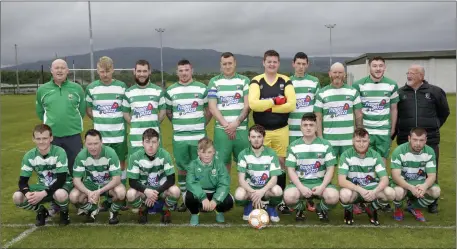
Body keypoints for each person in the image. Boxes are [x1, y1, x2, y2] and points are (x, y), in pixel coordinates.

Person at [395, 64, 449, 213]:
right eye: (408, 72)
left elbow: (444, 112)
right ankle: (410, 199)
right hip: (405, 140)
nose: (409, 75)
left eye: (413, 73)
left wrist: (435, 125)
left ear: (421, 76)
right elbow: (395, 115)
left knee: (430, 170)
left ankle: (432, 202)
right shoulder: (400, 93)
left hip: (429, 140)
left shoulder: (435, 91)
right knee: (407, 171)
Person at [248, 49, 297, 214]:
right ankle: (259, 198)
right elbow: (253, 105)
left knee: (281, 164)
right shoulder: (256, 81)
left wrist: (266, 106)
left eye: (275, 61)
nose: (272, 64)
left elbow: (291, 105)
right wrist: (276, 101)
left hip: (281, 129)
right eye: (269, 61)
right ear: (263, 62)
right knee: (260, 164)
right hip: (261, 132)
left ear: (278, 63)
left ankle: (279, 200)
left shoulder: (286, 80)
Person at [165, 59, 212, 212]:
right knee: (182, 169)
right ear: (177, 72)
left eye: (186, 70)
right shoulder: (170, 90)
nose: (184, 73)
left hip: (198, 138)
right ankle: (186, 199)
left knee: (200, 168)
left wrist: (200, 125)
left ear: (192, 70)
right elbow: (168, 112)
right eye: (181, 70)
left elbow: (209, 110)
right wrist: (180, 125)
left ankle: (199, 197)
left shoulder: (202, 88)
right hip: (180, 139)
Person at [12, 124, 72, 226]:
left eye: (45, 138)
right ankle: (41, 210)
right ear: (33, 139)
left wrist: (42, 194)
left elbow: (61, 179)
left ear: (51, 138)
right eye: (38, 138)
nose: (41, 142)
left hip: (62, 185)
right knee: (17, 197)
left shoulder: (59, 152)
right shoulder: (29, 156)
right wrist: (27, 194)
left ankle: (64, 212)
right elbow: (22, 182)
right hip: (43, 185)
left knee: (60, 194)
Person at [283, 113, 339, 222]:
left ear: (316, 127)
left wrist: (322, 187)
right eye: (305, 125)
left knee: (333, 197)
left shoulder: (326, 145)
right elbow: (291, 170)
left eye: (311, 125)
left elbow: (330, 169)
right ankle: (300, 208)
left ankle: (320, 208)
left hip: (320, 182)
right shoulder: (293, 146)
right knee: (289, 197)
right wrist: (301, 187)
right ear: (301, 127)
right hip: (300, 182)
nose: (308, 128)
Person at [36, 59, 86, 175]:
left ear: (67, 71)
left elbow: (81, 111)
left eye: (62, 68)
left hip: (73, 135)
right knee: (53, 167)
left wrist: (70, 122)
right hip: (52, 136)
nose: (59, 70)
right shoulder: (42, 90)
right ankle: (55, 191)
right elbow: (40, 112)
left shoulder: (77, 88)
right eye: (56, 68)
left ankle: (76, 191)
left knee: (75, 166)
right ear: (51, 71)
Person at [86, 56, 128, 189]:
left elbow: (127, 109)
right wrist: (101, 120)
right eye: (102, 71)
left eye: (108, 71)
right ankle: (106, 196)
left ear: (113, 70)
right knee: (102, 165)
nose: (105, 75)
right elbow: (89, 111)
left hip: (119, 134)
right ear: (98, 70)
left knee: (120, 164)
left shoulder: (122, 87)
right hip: (101, 136)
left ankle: (121, 196)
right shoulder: (91, 88)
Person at [338, 128, 395, 226]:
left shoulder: (375, 155)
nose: (361, 144)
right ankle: (349, 210)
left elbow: (384, 179)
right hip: (354, 190)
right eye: (358, 141)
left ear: (369, 141)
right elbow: (341, 181)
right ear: (353, 141)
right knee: (344, 195)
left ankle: (372, 208)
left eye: (364, 141)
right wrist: (359, 189)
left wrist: (375, 191)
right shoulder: (346, 155)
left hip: (371, 190)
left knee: (391, 193)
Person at [69, 129, 126, 224]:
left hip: (108, 185)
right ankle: (93, 209)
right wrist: (88, 192)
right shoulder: (81, 155)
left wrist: (99, 191)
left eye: (96, 143)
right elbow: (76, 180)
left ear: (101, 142)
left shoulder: (110, 153)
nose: (93, 147)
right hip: (90, 185)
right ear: (85, 143)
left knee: (121, 193)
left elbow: (116, 179)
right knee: (73, 197)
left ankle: (113, 211)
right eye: (90, 144)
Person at [288, 52, 321, 212]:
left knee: (310, 162)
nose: (301, 67)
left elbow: (318, 110)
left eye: (303, 64)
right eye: (298, 63)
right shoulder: (286, 82)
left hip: (309, 131)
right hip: (291, 130)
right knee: (292, 165)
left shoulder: (314, 82)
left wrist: (318, 133)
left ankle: (310, 198)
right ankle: (296, 197)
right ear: (293, 64)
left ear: (307, 65)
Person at [126, 128, 180, 224]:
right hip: (144, 191)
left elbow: (171, 179)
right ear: (142, 143)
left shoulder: (165, 155)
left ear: (158, 143)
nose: (151, 145)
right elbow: (132, 181)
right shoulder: (135, 157)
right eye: (147, 142)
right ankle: (142, 209)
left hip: (161, 190)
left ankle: (165, 209)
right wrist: (146, 191)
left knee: (176, 191)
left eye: (154, 142)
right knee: (130, 194)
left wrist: (156, 192)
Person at [207, 52, 250, 173]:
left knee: (245, 164)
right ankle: (225, 192)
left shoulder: (244, 81)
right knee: (222, 165)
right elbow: (212, 107)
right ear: (220, 65)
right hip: (222, 130)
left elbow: (247, 106)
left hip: (241, 129)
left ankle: (245, 192)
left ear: (235, 63)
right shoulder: (214, 82)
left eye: (230, 63)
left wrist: (235, 124)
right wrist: (227, 125)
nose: (227, 66)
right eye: (224, 64)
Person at [352, 56, 399, 165]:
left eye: (380, 66)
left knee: (381, 161)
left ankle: (381, 181)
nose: (378, 69)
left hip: (383, 130)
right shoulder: (358, 85)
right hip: (366, 130)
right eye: (374, 66)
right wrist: (359, 128)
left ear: (384, 68)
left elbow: (394, 108)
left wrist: (392, 129)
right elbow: (356, 110)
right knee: (364, 161)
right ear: (370, 68)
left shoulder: (392, 85)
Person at [390, 127, 441, 222]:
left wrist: (424, 186)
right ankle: (398, 208)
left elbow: (432, 176)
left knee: (436, 191)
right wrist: (410, 187)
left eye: (421, 140)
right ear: (409, 138)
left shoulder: (429, 152)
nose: (418, 143)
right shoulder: (399, 151)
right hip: (402, 184)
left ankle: (412, 207)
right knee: (398, 192)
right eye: (415, 140)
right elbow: (395, 176)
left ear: (425, 140)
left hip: (419, 183)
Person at [234, 124, 283, 222]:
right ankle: (249, 204)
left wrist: (262, 191)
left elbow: (274, 179)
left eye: (259, 137)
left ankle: (270, 207)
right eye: (253, 137)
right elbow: (241, 180)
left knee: (278, 191)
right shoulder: (243, 154)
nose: (256, 140)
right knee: (239, 195)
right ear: (249, 138)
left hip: (266, 189)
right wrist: (253, 193)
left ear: (263, 137)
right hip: (250, 189)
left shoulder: (271, 153)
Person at [314, 62, 363, 158]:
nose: (337, 75)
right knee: (329, 169)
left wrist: (358, 135)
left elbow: (358, 115)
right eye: (335, 72)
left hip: (348, 140)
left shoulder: (353, 92)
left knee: (349, 169)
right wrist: (320, 138)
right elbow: (318, 118)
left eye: (340, 72)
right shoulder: (321, 93)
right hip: (329, 140)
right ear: (330, 74)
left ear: (344, 74)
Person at [185, 138, 233, 226]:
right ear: (198, 152)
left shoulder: (219, 164)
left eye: (209, 152)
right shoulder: (193, 165)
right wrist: (203, 198)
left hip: (214, 192)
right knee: (188, 197)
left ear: (214, 151)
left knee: (229, 200)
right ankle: (195, 213)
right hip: (200, 193)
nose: (206, 155)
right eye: (203, 152)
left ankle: (219, 210)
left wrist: (215, 200)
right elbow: (190, 183)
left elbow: (224, 183)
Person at [123, 59, 166, 155]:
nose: (141, 74)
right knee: (135, 169)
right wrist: (135, 124)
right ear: (134, 72)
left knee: (155, 168)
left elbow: (163, 113)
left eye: (144, 71)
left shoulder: (158, 91)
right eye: (139, 71)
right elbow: (125, 113)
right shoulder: (128, 92)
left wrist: (153, 123)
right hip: (135, 140)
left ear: (149, 72)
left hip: (154, 140)